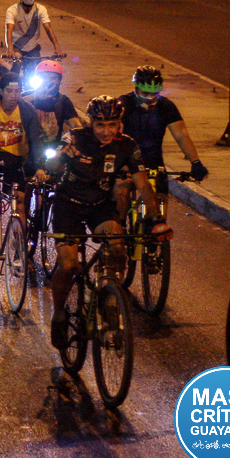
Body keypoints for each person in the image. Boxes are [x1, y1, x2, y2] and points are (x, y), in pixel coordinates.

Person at [46, 96, 172, 350]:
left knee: (117, 246)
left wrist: (156, 220)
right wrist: (59, 156)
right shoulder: (76, 137)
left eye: (112, 124)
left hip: (99, 205)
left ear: (120, 125)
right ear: (91, 123)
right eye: (100, 125)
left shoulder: (127, 146)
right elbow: (49, 164)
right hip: (68, 205)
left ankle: (107, 295)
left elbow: (143, 184)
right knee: (69, 265)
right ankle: (59, 312)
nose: (106, 131)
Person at [115, 65, 209, 216]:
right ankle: (119, 230)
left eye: (155, 93)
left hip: (153, 159)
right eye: (146, 92)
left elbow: (181, 135)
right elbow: (116, 131)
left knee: (160, 201)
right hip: (127, 159)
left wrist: (196, 162)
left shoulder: (166, 106)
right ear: (136, 88)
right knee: (120, 192)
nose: (150, 97)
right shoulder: (124, 104)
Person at [0, 72, 47, 221]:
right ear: (0, 92)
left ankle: (20, 241)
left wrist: (39, 166)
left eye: (17, 91)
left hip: (17, 160)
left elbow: (37, 139)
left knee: (19, 202)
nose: (13, 95)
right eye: (9, 91)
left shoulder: (27, 110)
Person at [4, 0, 62, 74]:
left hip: (33, 48)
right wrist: (10, 49)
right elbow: (9, 30)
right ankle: (12, 83)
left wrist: (57, 47)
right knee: (18, 64)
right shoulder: (12, 10)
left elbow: (48, 28)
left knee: (37, 69)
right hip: (17, 47)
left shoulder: (41, 9)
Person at [26, 59, 82, 146]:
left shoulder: (63, 101)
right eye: (44, 77)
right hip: (28, 146)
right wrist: (35, 96)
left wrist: (66, 141)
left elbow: (76, 126)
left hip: (53, 147)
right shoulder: (28, 97)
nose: (48, 81)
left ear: (59, 81)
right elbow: (13, 106)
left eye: (53, 78)